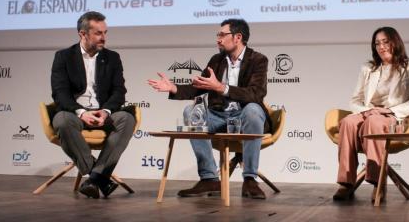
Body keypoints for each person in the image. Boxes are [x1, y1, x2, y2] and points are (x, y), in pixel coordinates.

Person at [148, 18, 270, 199]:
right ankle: (209, 178)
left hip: (243, 115)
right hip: (219, 116)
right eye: (217, 35)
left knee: (253, 110)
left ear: (237, 37)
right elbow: (199, 87)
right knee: (190, 112)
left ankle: (250, 179)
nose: (218, 39)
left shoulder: (258, 60)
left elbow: (256, 93)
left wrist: (222, 88)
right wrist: (174, 88)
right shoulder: (217, 60)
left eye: (222, 35)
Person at [333, 27, 409, 202]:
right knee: (347, 122)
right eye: (377, 43)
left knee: (374, 122)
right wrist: (368, 111)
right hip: (369, 112)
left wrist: (388, 110)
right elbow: (355, 99)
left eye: (385, 42)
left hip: (394, 117)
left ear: (395, 42)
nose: (381, 46)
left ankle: (378, 181)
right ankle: (346, 182)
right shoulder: (369, 68)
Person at [51, 11, 135, 199]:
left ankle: (93, 179)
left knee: (127, 119)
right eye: (98, 33)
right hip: (74, 112)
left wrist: (105, 112)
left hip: (103, 112)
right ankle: (99, 177)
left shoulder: (112, 57)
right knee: (62, 120)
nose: (103, 38)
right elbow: (60, 93)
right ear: (82, 34)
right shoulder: (63, 57)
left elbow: (119, 91)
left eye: (105, 33)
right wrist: (81, 113)